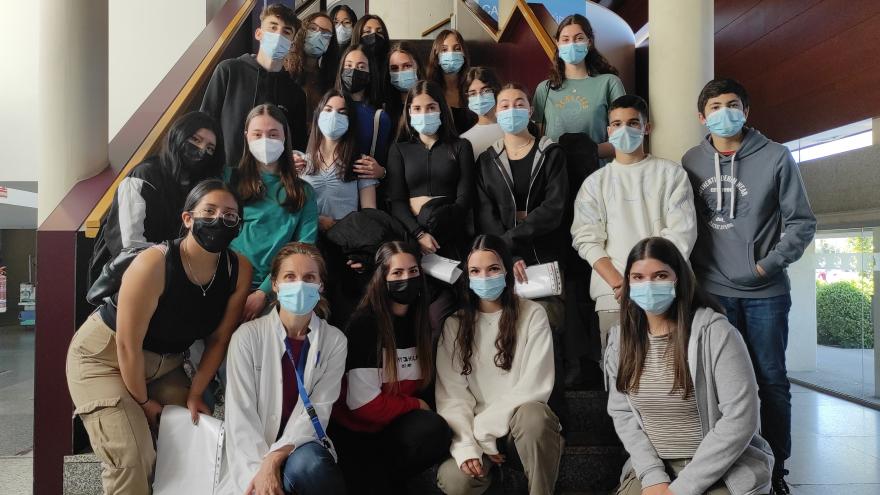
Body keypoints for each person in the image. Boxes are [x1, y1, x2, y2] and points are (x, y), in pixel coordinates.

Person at [67, 179, 251, 495]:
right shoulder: (155, 261)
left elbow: (219, 339)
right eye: (209, 211)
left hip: (166, 364)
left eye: (229, 215)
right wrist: (143, 402)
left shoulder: (238, 269)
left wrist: (196, 393)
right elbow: (128, 344)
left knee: (193, 444)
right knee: (133, 456)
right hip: (106, 357)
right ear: (188, 218)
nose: (219, 220)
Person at [681, 78, 816, 494]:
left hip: (765, 294)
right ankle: (726, 464)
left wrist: (767, 266)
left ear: (746, 110)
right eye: (716, 105)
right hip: (711, 292)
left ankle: (776, 469)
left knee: (771, 379)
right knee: (716, 384)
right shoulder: (691, 160)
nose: (725, 112)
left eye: (733, 104)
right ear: (702, 116)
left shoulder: (775, 156)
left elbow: (801, 222)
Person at [606, 237, 774, 495]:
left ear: (679, 279)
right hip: (657, 467)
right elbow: (623, 414)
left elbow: (741, 418)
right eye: (637, 277)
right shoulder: (621, 340)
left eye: (660, 275)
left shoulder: (717, 333)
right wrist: (653, 477)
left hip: (722, 467)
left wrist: (681, 490)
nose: (648, 285)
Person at [570, 94, 697, 358]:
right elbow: (586, 239)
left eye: (633, 123)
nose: (624, 129)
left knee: (671, 374)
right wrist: (621, 284)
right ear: (608, 131)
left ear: (646, 128)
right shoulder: (595, 183)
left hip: (666, 291)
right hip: (612, 295)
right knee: (619, 376)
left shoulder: (671, 174)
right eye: (616, 124)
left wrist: (648, 280)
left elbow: (680, 234)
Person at [435, 234, 563, 495]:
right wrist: (468, 445)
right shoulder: (454, 325)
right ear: (468, 277)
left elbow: (534, 385)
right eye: (475, 271)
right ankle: (492, 479)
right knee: (454, 481)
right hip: (475, 434)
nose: (485, 277)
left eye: (493, 268)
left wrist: (486, 430)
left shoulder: (532, 314)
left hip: (520, 434)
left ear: (506, 270)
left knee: (534, 416)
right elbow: (452, 395)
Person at [220, 242, 347, 495]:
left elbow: (318, 411)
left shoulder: (334, 341)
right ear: (275, 285)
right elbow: (240, 416)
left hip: (299, 447)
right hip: (250, 452)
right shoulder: (247, 337)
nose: (300, 284)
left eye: (309, 277)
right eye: (290, 276)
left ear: (320, 286)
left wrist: (273, 460)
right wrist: (259, 475)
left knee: (311, 467)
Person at [330, 241, 452, 494]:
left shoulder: (419, 323)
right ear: (381, 278)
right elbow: (363, 405)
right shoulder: (365, 324)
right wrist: (415, 405)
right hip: (354, 433)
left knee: (434, 431)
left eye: (413, 271)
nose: (406, 278)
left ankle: (392, 475)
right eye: (397, 273)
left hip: (390, 429)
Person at [88, 111, 225, 284]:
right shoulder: (144, 176)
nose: (201, 150)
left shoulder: (199, 188)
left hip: (175, 279)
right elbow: (129, 246)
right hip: (127, 279)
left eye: (210, 148)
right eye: (196, 140)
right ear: (178, 136)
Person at [227, 104, 318, 320]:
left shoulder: (303, 192)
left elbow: (303, 248)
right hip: (226, 284)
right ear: (246, 136)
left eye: (273, 134)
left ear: (284, 136)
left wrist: (263, 292)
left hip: (276, 291)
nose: (265, 140)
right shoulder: (229, 179)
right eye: (257, 134)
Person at [297, 89, 378, 324]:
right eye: (328, 110)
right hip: (309, 247)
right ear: (318, 115)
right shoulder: (301, 160)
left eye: (342, 112)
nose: (334, 116)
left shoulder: (359, 162)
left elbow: (370, 214)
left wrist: (336, 226)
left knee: (343, 317)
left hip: (345, 249)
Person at [201, 3, 307, 164]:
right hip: (226, 175)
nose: (278, 35)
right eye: (273, 27)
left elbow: (297, 144)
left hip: (271, 179)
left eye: (286, 32)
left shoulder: (295, 93)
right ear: (259, 33)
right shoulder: (229, 71)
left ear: (291, 45)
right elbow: (205, 122)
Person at [388, 80, 475, 260]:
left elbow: (464, 200)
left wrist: (439, 218)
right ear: (409, 112)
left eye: (431, 107)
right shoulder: (399, 149)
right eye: (417, 108)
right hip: (412, 237)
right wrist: (419, 234)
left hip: (452, 235)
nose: (424, 113)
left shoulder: (461, 146)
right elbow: (397, 201)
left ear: (441, 109)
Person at [533, 14, 625, 160]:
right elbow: (538, 140)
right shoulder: (544, 89)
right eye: (565, 39)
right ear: (557, 43)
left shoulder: (609, 83)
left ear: (589, 42)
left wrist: (586, 153)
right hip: (555, 176)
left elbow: (622, 140)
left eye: (579, 38)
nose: (572, 44)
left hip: (597, 175)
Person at [335, 44, 393, 182]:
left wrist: (382, 172)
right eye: (348, 66)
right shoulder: (327, 108)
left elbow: (383, 163)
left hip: (364, 189)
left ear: (370, 73)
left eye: (361, 67)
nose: (354, 71)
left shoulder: (379, 117)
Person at [285, 12, 339, 125]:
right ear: (303, 32)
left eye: (326, 34)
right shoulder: (284, 68)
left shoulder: (328, 79)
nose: (318, 35)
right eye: (313, 28)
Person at [426, 29, 477, 135]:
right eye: (444, 50)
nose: (451, 54)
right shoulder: (428, 91)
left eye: (457, 49)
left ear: (464, 54)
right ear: (436, 55)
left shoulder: (474, 87)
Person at [460, 67, 504, 158]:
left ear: (496, 90)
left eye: (486, 90)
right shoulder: (464, 140)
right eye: (473, 93)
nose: (479, 97)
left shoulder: (514, 130)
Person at [350, 14, 392, 104]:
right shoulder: (350, 68)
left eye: (379, 32)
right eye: (367, 31)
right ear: (358, 35)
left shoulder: (391, 69)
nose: (374, 35)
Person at [386, 42, 426, 137]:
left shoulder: (431, 101)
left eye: (407, 66)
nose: (401, 72)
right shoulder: (385, 108)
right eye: (394, 68)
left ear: (418, 66)